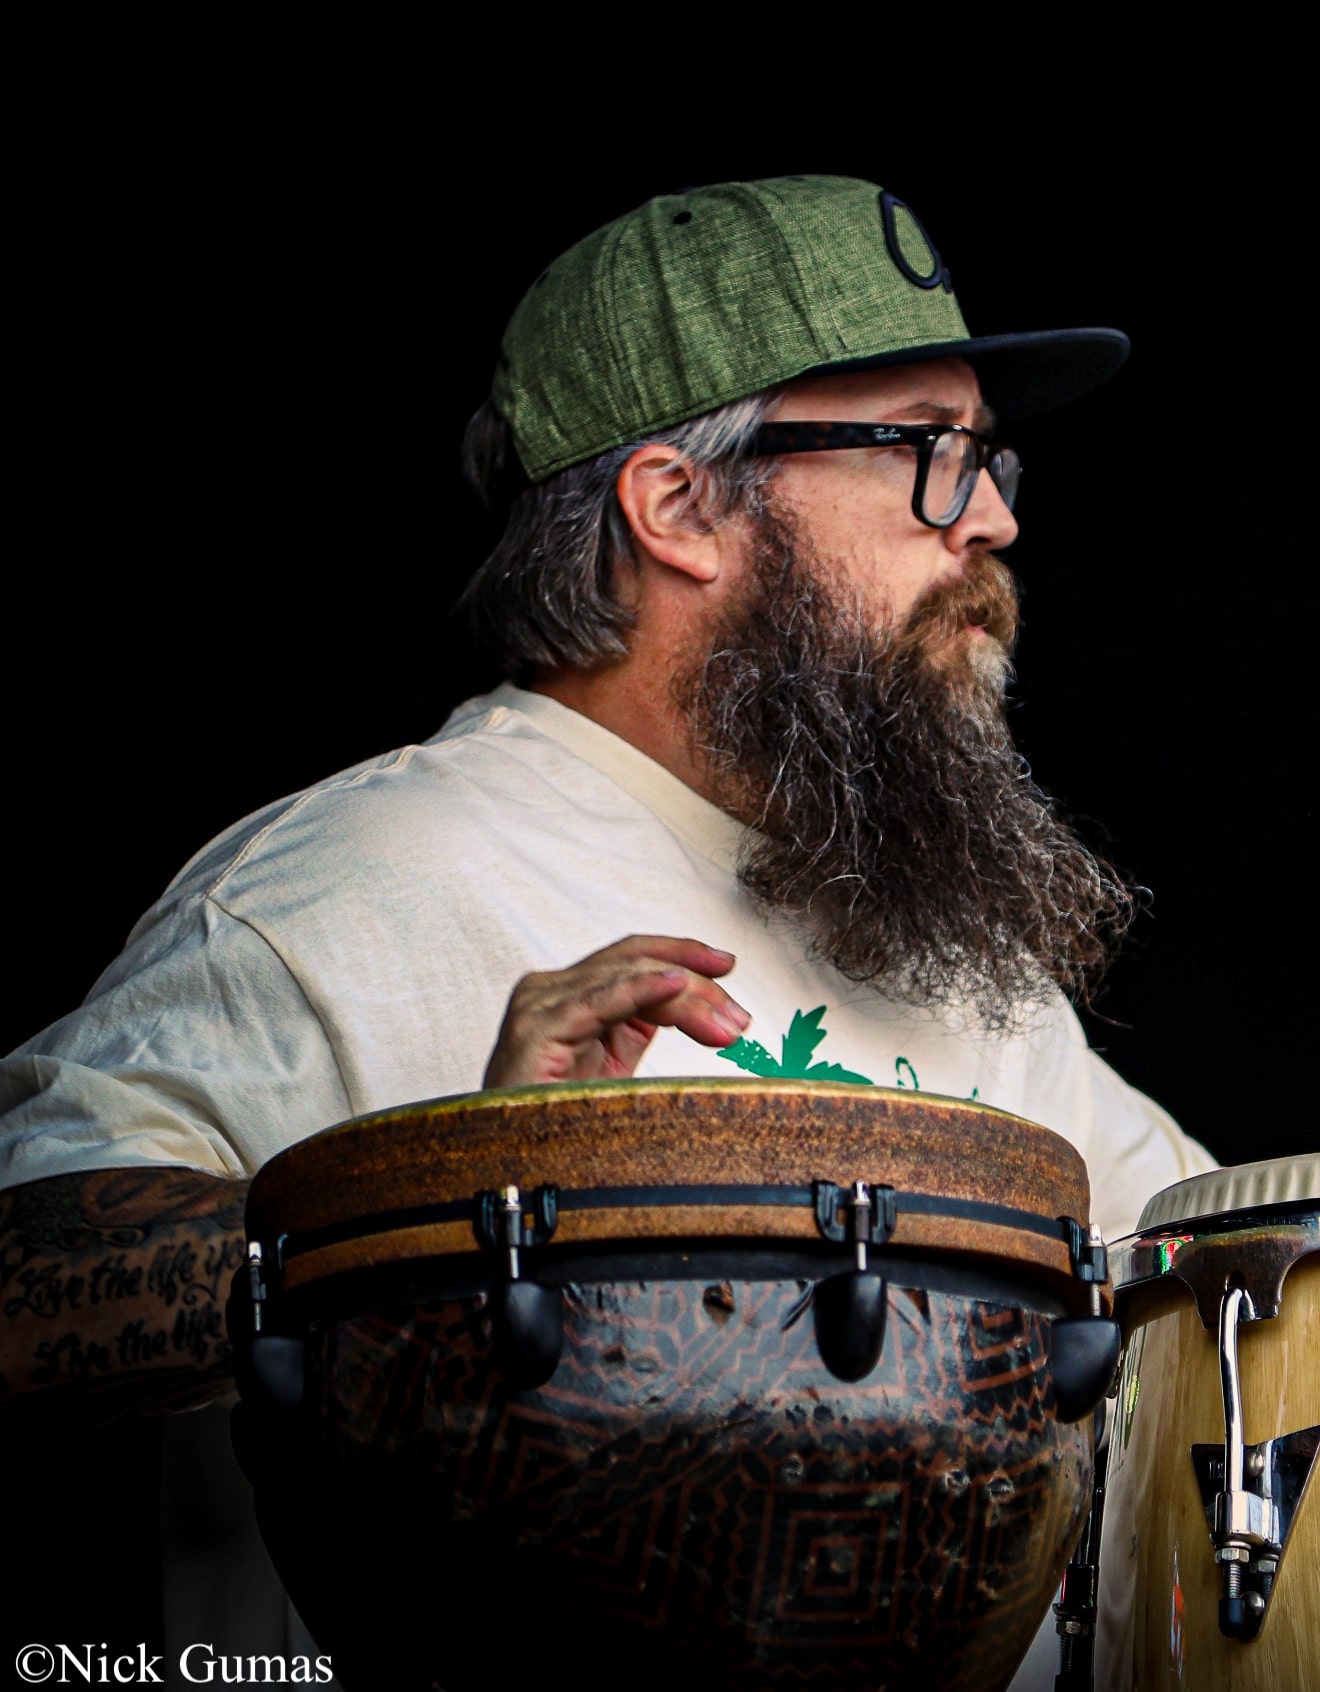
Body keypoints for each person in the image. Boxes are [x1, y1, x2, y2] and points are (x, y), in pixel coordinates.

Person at [0, 176, 1213, 1678]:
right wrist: (457, 1217)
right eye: (925, 452)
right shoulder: (349, 884)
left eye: (989, 457)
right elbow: (21, 1291)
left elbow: (1223, 1278)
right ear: (677, 505)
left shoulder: (949, 947)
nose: (995, 517)